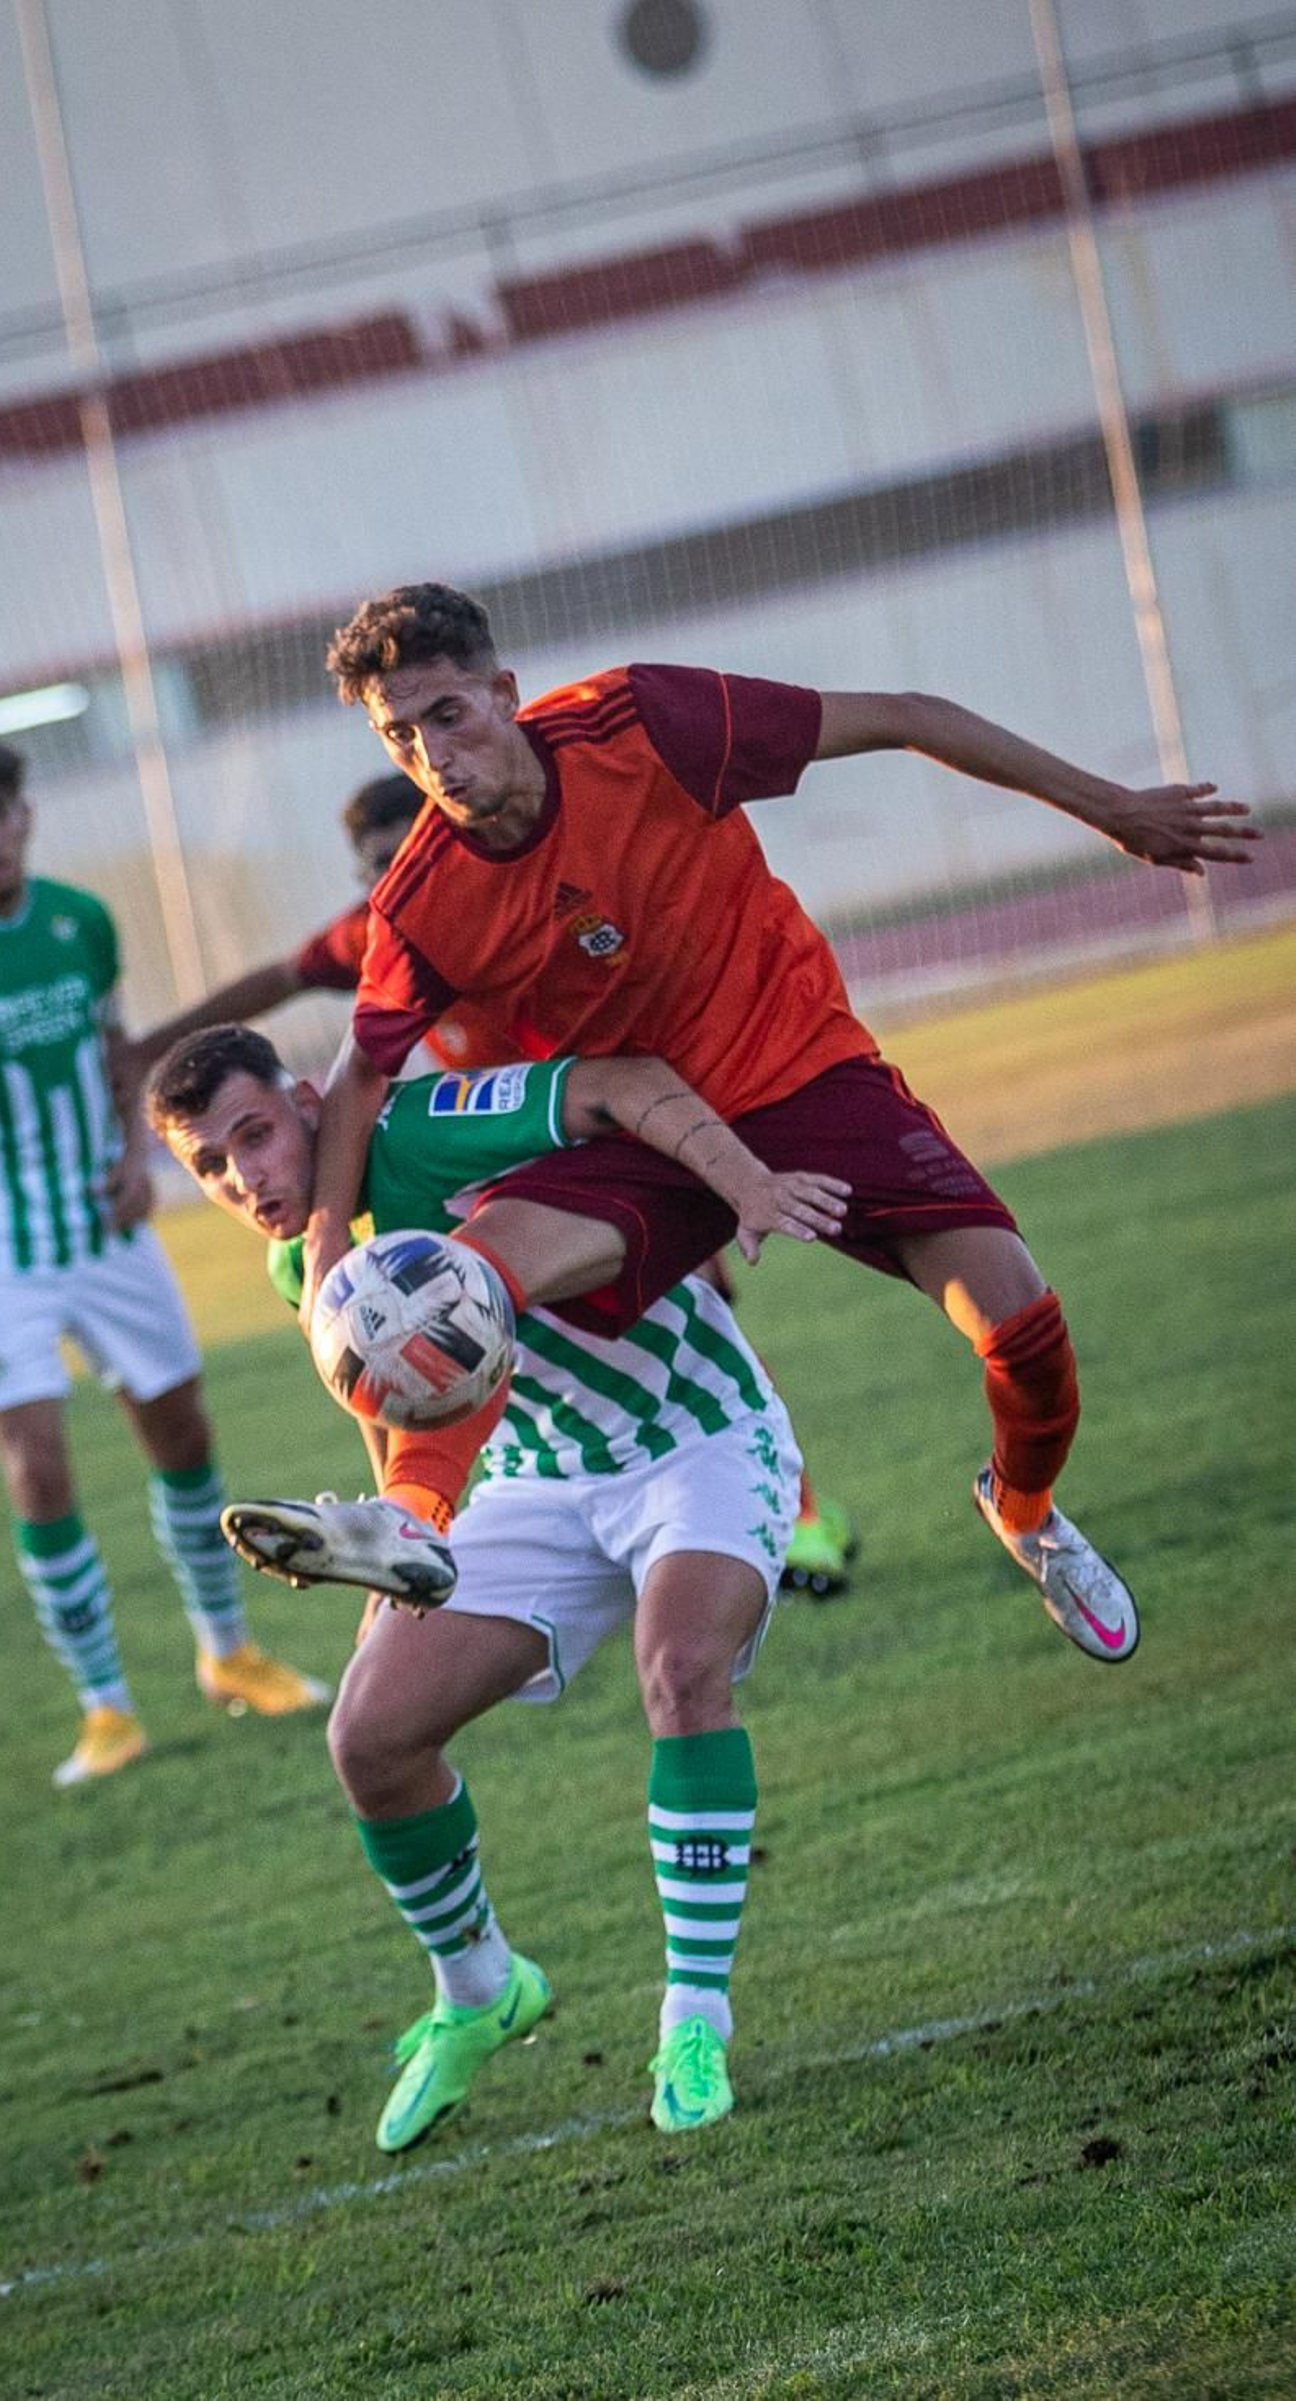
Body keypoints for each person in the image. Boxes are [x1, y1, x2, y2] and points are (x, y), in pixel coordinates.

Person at [234, 582, 1261, 1666]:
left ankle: (1026, 1509)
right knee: (466, 1283)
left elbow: (908, 713)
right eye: (399, 736)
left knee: (1022, 1330)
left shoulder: (640, 725)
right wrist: (328, 1255)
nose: (431, 755)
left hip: (806, 1074)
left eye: (447, 715)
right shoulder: (420, 900)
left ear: (504, 694)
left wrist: (1116, 809)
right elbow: (356, 1079)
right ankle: (412, 1521)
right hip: (635, 1133)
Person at [147, 1022, 806, 2142]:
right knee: (367, 1735)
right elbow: (394, 1417)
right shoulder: (298, 1268)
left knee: (681, 1669)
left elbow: (612, 1085)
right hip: (531, 1486)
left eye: (253, 1135)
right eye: (208, 1165)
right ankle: (480, 1987)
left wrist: (735, 1180)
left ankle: (693, 2017)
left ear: (310, 1101)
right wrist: (390, 1562)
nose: (241, 1175)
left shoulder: (425, 1127)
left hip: (696, 1436)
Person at [125, 767, 858, 1594]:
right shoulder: (384, 935)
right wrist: (145, 1047)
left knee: (693, 1327)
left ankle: (796, 1517)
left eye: (405, 852)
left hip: (589, 1125)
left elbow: (617, 1047)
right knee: (453, 1328)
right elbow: (284, 976)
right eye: (374, 866)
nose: (394, 876)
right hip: (506, 1144)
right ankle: (425, 1523)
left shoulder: (511, 899)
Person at [0, 741, 329, 1789]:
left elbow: (114, 1054)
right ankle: (105, 1708)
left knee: (182, 1433)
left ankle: (227, 1652)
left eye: (0, 817)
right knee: (37, 1466)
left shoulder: (78, 922)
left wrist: (138, 1158)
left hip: (104, 1227)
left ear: (27, 819)